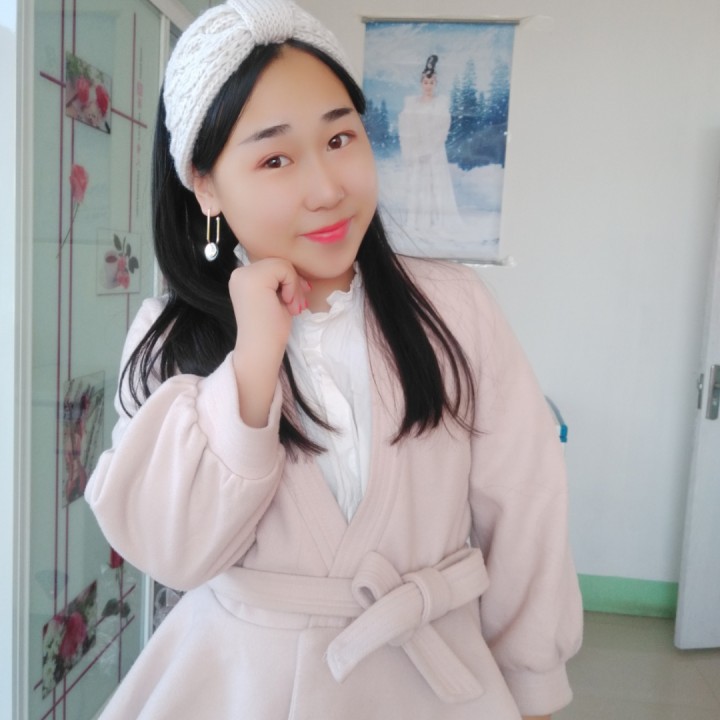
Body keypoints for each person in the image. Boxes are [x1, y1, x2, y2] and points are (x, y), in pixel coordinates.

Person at [85, 1, 582, 718]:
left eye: (340, 138)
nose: (327, 188)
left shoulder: (452, 308)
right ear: (206, 183)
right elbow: (173, 551)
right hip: (237, 690)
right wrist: (253, 362)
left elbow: (527, 506)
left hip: (437, 683)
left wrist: (534, 687)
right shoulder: (168, 338)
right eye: (276, 158)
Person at [397, 54, 463, 238]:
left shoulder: (440, 105)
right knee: (417, 184)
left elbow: (442, 129)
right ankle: (415, 222)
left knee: (435, 185)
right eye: (425, 82)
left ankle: (436, 222)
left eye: (431, 83)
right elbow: (406, 127)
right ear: (421, 83)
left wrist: (429, 149)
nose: (428, 86)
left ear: (436, 84)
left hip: (434, 151)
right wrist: (413, 149)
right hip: (416, 150)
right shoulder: (412, 104)